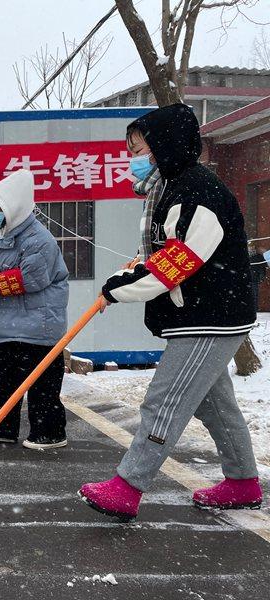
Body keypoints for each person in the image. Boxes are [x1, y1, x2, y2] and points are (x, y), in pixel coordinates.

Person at [79, 103, 262, 521]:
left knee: (166, 400)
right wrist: (130, 271)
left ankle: (128, 486)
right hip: (203, 315)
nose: (134, 159)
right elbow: (164, 252)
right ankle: (242, 482)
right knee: (214, 405)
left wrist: (118, 289)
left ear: (165, 146)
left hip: (210, 318)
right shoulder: (174, 188)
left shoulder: (198, 192)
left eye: (139, 149)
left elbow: (178, 261)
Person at [0, 169, 70, 450]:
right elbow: (2, 268)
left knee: (42, 385)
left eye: (0, 208)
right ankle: (0, 427)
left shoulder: (38, 239)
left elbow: (28, 279)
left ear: (16, 208)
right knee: (1, 377)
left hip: (39, 326)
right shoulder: (5, 236)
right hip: (15, 325)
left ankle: (49, 433)